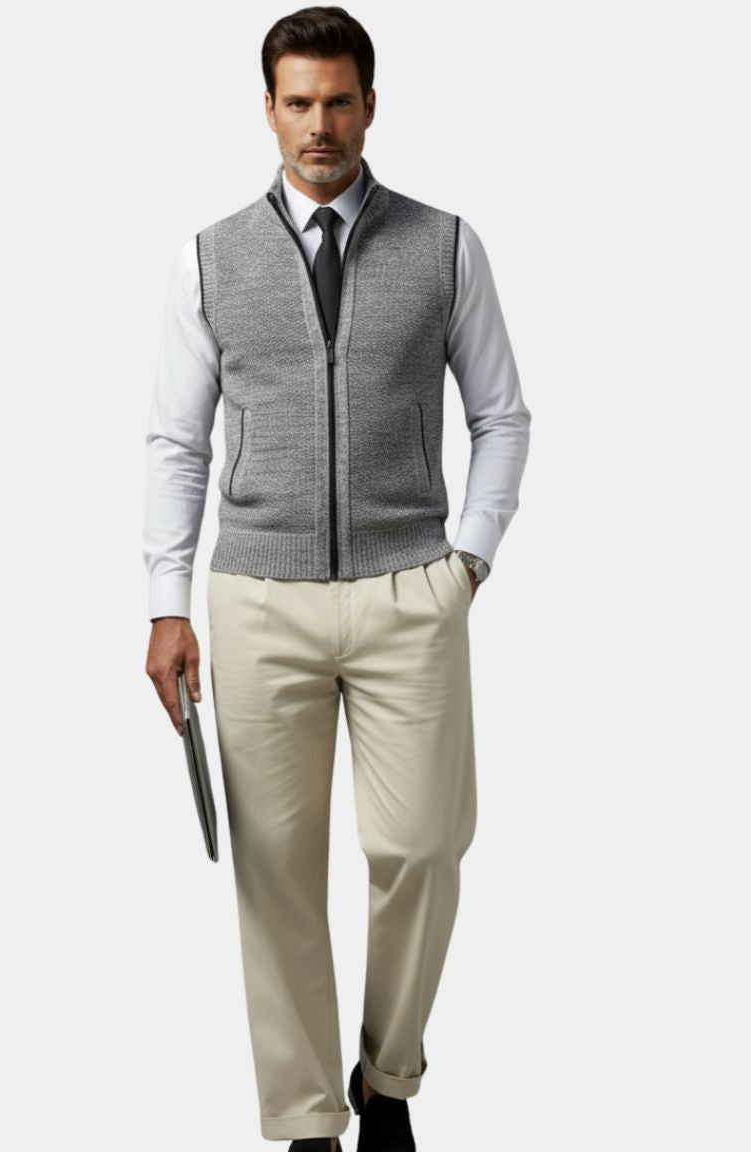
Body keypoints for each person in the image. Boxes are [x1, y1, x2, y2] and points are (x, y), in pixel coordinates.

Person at [142, 7, 531, 1149]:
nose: (320, 125)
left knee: (423, 847)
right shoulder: (211, 257)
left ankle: (387, 1079)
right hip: (257, 597)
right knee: (274, 869)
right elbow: (176, 442)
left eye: (340, 101)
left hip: (411, 588)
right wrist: (168, 604)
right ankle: (310, 1114)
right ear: (268, 109)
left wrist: (470, 558)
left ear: (370, 105)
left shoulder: (445, 245)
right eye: (299, 102)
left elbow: (502, 415)